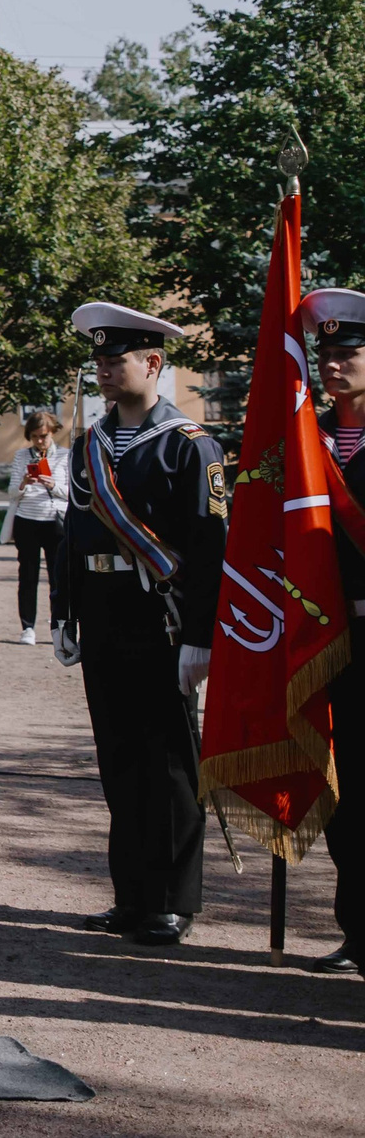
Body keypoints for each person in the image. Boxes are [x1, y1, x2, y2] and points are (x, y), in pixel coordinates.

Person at [48, 301, 227, 949]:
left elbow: (210, 551)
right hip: (102, 614)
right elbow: (73, 533)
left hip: (163, 618)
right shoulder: (90, 443)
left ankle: (173, 901)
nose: (103, 368)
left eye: (115, 357)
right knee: (119, 758)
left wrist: (202, 638)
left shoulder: (189, 445)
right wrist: (64, 612)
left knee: (171, 766)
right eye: (98, 358)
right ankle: (131, 895)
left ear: (153, 363)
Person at [299, 285, 365, 976]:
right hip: (330, 639)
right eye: (326, 354)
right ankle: (358, 931)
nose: (334, 365)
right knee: (346, 794)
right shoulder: (307, 439)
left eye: (349, 351)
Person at [4, 411, 71, 645]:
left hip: (55, 522)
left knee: (58, 577)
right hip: (27, 521)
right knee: (28, 576)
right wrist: (24, 482)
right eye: (34, 437)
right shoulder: (22, 456)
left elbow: (73, 493)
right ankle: (28, 627)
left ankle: (59, 627)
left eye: (43, 436)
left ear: (52, 432)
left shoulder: (65, 456)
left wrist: (53, 484)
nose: (39, 441)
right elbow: (12, 493)